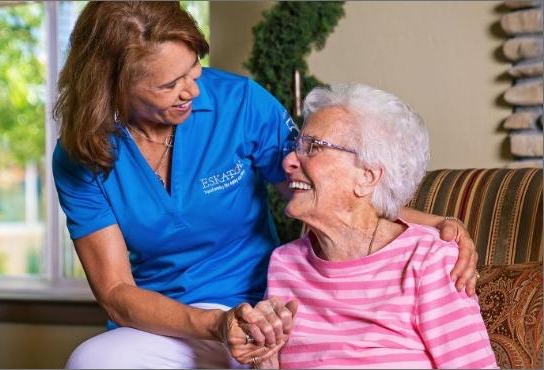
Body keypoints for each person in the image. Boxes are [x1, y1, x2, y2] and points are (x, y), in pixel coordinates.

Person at [52, 2, 480, 368]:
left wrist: (437, 224)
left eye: (193, 67)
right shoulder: (81, 156)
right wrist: (215, 325)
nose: (192, 89)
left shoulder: (239, 102)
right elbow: (115, 292)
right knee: (93, 360)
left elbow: (326, 186)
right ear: (111, 86)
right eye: (169, 84)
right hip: (170, 320)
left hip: (263, 305)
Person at [239, 83, 497, 369]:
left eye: (312, 147)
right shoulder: (285, 264)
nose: (287, 161)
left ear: (367, 176)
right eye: (295, 147)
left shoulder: (428, 261)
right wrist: (264, 356)